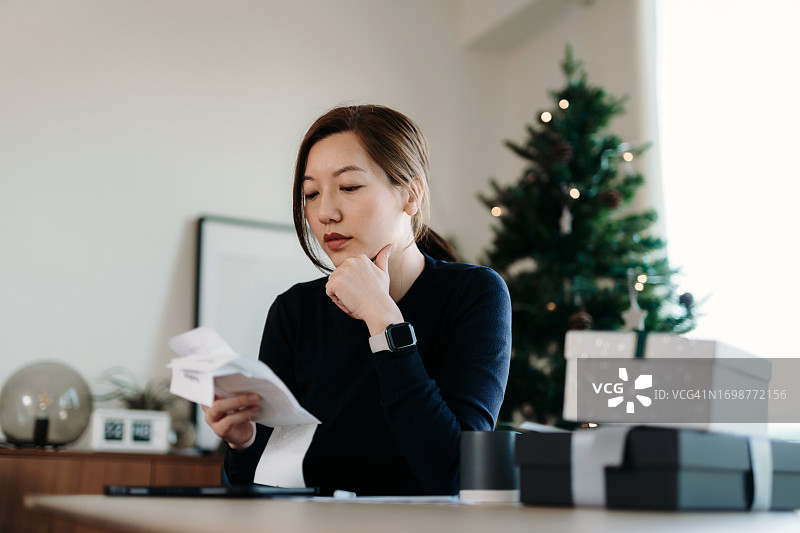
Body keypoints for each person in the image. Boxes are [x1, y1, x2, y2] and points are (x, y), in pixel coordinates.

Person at [201, 104, 512, 496]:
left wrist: (383, 319)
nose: (325, 213)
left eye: (348, 187)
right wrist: (243, 443)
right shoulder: (293, 311)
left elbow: (454, 474)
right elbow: (258, 489)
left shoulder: (474, 294)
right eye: (311, 194)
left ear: (411, 194)